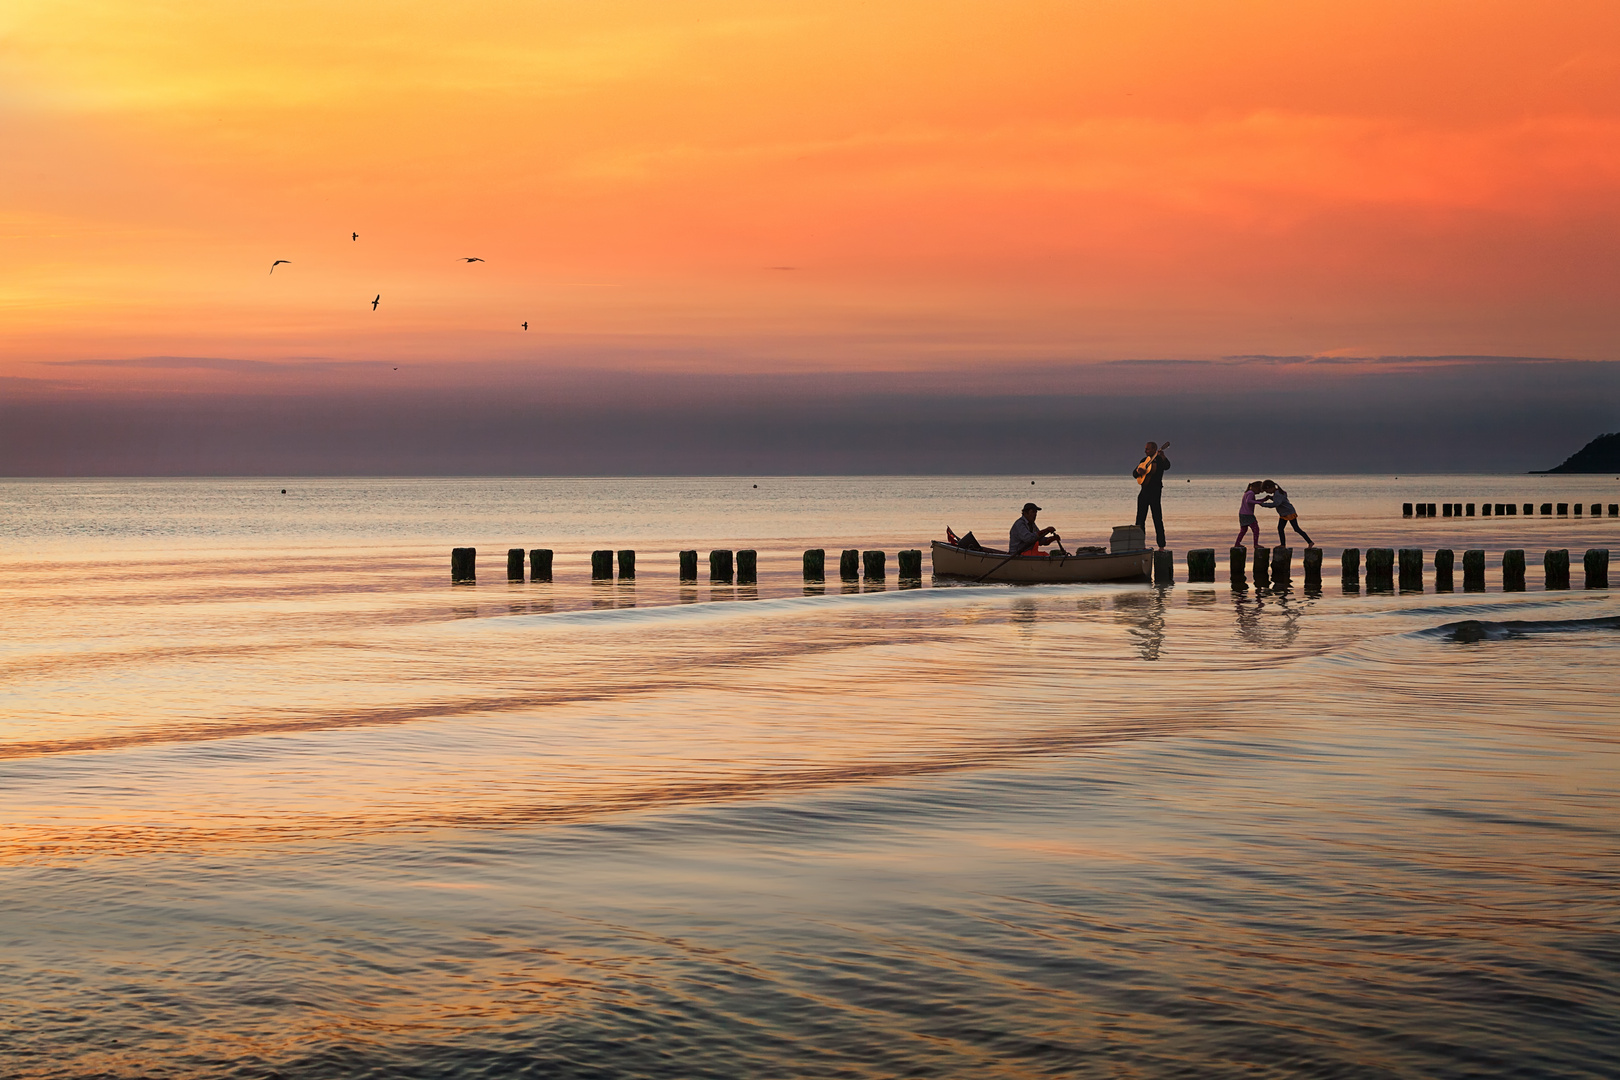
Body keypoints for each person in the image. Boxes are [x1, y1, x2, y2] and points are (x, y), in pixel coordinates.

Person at [1132, 440, 1171, 549]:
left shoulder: (1159, 460)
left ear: (1154, 449)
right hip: (1144, 492)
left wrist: (1163, 456)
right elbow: (1134, 473)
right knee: (1140, 520)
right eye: (1145, 448)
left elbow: (1167, 466)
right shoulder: (1143, 461)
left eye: (1147, 449)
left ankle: (1161, 546)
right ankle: (1140, 545)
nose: (1145, 451)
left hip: (1155, 493)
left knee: (1157, 519)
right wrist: (1138, 472)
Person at [1259, 480, 1314, 547]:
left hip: (1289, 513)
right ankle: (1283, 545)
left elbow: (1276, 503)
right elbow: (1278, 500)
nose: (1266, 492)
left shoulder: (1278, 493)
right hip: (1284, 514)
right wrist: (1270, 498)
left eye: (1266, 490)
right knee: (1280, 528)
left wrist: (1263, 504)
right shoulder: (1278, 493)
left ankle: (1310, 542)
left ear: (1270, 488)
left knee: (1296, 529)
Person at [1233, 481, 1264, 548]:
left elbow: (1251, 500)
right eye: (1259, 490)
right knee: (1256, 529)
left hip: (1242, 514)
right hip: (1248, 514)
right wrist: (1259, 503)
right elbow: (1249, 501)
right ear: (1255, 488)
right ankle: (1255, 544)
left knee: (1243, 530)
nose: (1259, 492)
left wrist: (1263, 500)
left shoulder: (1247, 493)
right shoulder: (1251, 493)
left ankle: (1237, 543)